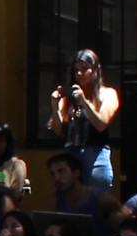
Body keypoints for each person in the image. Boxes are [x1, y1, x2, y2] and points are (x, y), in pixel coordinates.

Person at [48, 48, 121, 187]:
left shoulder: (107, 94)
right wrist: (54, 105)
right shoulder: (69, 99)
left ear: (95, 70)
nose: (79, 74)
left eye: (84, 69)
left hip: (96, 154)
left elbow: (101, 124)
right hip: (71, 156)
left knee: (96, 200)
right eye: (76, 70)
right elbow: (58, 131)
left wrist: (84, 102)